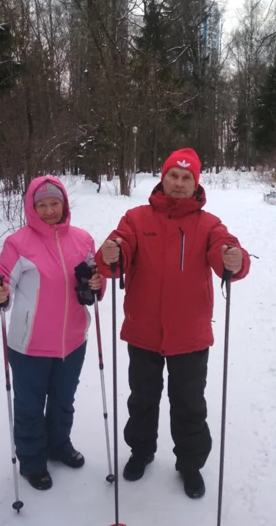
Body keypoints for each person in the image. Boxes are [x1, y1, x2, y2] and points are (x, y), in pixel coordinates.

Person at [95, 148, 250, 499]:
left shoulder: (209, 224)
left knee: (189, 403)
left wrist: (233, 257)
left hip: (190, 335)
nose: (178, 184)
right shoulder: (135, 219)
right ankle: (141, 452)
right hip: (144, 331)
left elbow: (225, 249)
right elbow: (118, 249)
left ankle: (191, 464)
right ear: (162, 179)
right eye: (173, 177)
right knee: (143, 399)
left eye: (186, 178)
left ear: (196, 183)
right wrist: (112, 252)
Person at [0, 176, 106, 491]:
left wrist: (97, 284)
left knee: (64, 401)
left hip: (73, 341)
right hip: (30, 346)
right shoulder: (19, 243)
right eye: (42, 205)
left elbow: (94, 278)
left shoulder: (83, 239)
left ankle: (58, 444)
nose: (50, 210)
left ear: (64, 204)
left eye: (55, 203)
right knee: (29, 406)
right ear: (32, 207)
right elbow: (0, 280)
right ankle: (32, 460)